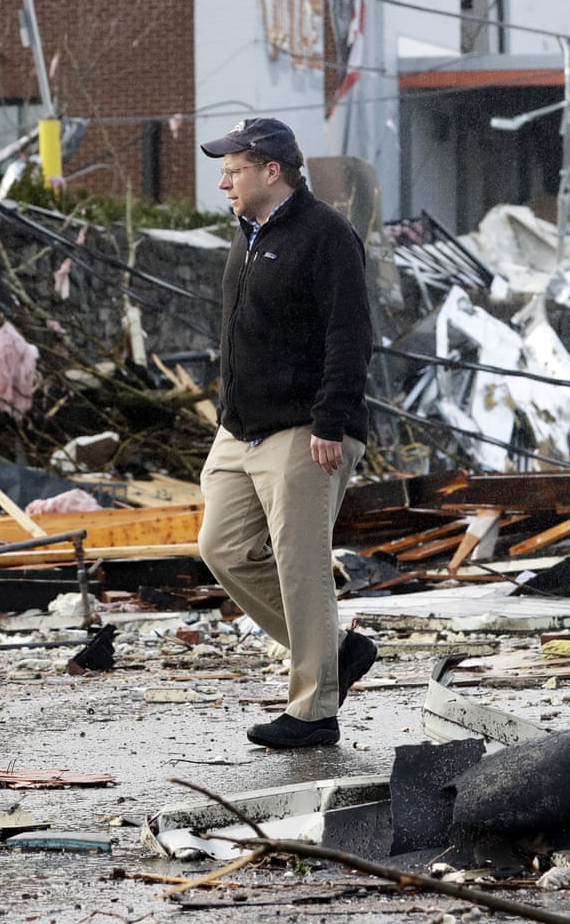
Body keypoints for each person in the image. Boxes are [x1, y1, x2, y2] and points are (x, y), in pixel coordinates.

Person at [196, 116, 377, 748]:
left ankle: (314, 712)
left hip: (305, 430)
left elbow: (350, 334)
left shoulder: (326, 234)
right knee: (222, 548)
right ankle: (339, 653)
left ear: (272, 171)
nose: (224, 183)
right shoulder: (248, 233)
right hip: (241, 429)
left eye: (234, 171)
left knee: (302, 569)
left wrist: (331, 420)